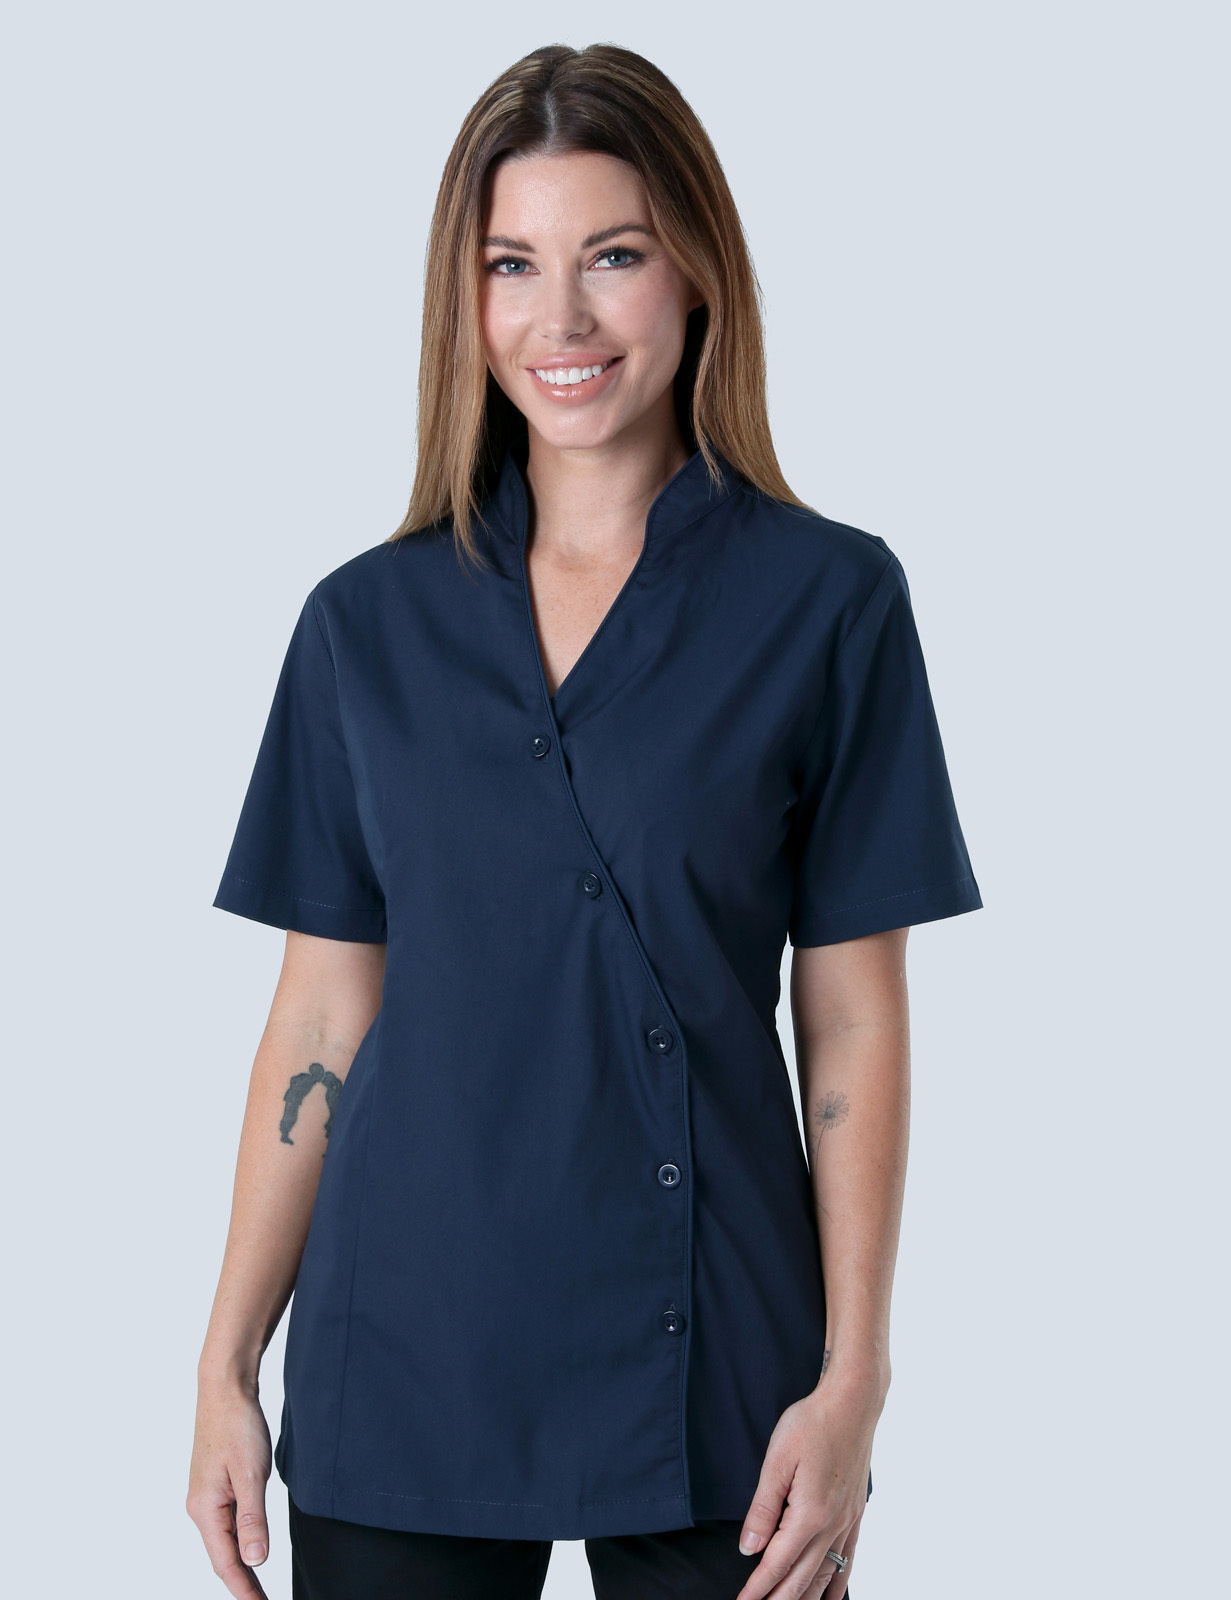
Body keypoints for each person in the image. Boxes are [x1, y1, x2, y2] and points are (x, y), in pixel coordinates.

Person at [187, 40, 983, 1600]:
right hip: (403, 1345)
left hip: (723, 1359)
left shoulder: (830, 604)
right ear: (464, 298)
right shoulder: (365, 627)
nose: (560, 320)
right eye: (513, 265)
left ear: (697, 274)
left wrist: (857, 1379)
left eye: (613, 256)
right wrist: (223, 1359)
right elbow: (321, 1015)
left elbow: (853, 1020)